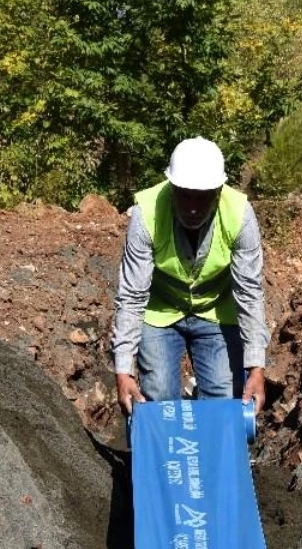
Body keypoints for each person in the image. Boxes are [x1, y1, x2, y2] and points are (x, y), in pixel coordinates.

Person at [111, 137, 267, 416]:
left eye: (203, 196)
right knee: (157, 397)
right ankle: (160, 456)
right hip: (160, 313)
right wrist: (123, 369)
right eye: (185, 195)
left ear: (218, 192)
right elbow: (132, 295)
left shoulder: (239, 215)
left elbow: (249, 293)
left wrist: (257, 367)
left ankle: (213, 455)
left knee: (222, 401)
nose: (193, 207)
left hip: (216, 312)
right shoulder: (147, 213)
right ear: (171, 188)